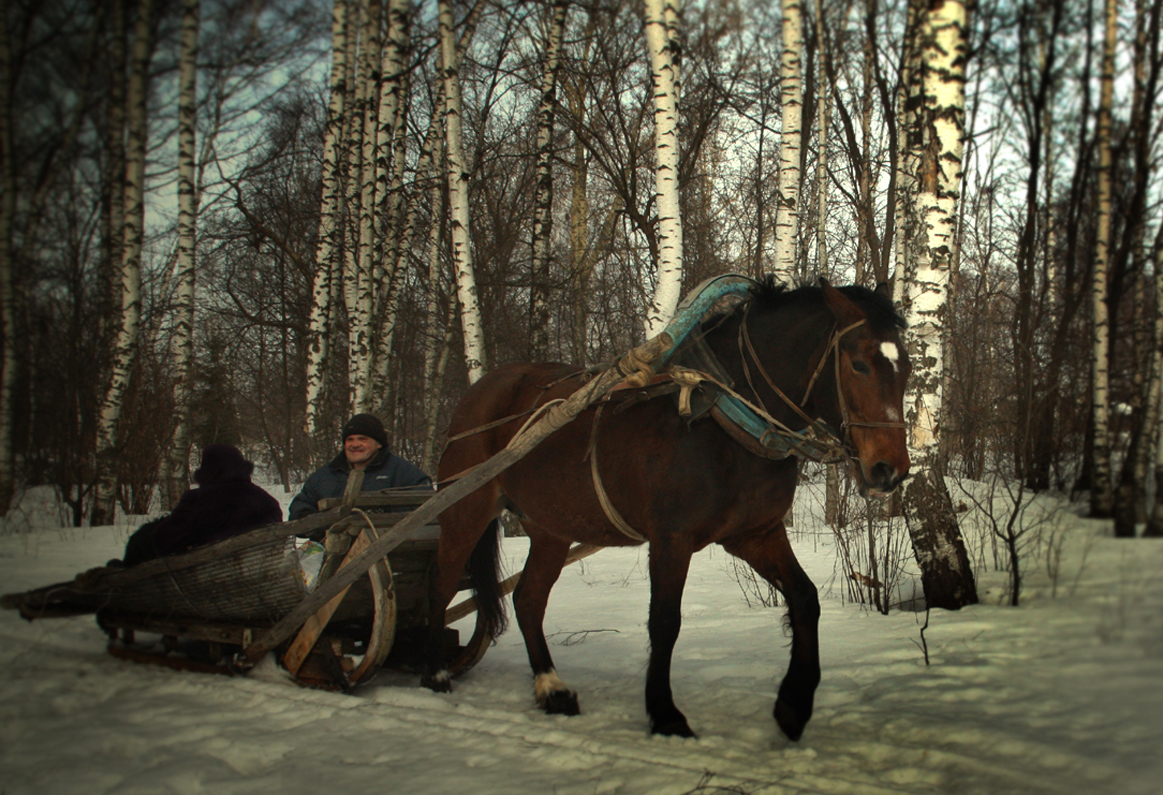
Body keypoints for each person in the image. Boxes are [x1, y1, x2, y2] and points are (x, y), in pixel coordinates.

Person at [120, 444, 283, 566]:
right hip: (260, 574)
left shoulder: (198, 500)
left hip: (208, 580)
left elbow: (163, 542)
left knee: (143, 538)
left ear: (208, 469)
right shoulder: (268, 501)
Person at [288, 413, 432, 521]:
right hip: (333, 552)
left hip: (389, 551)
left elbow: (425, 508)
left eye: (363, 439)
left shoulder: (404, 473)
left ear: (379, 444)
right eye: (350, 439)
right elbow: (300, 510)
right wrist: (322, 525)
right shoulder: (325, 475)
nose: (355, 444)